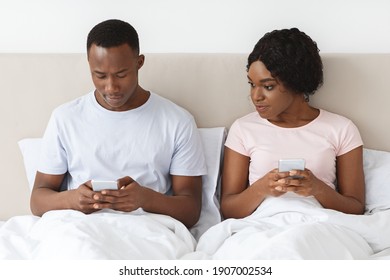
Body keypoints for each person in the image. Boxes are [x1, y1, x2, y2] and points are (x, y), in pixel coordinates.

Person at [30, 19, 207, 228]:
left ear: (139, 62)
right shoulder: (65, 118)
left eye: (121, 75)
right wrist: (72, 199)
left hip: (147, 230)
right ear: (89, 64)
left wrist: (145, 199)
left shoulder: (177, 121)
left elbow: (191, 209)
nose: (111, 87)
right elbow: (37, 200)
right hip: (79, 229)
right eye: (100, 75)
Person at [221, 27, 365, 219]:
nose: (256, 96)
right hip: (262, 229)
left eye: (268, 86)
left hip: (320, 227)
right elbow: (228, 208)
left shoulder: (341, 129)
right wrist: (262, 188)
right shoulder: (243, 129)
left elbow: (356, 208)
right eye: (252, 84)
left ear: (295, 82)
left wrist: (318, 188)